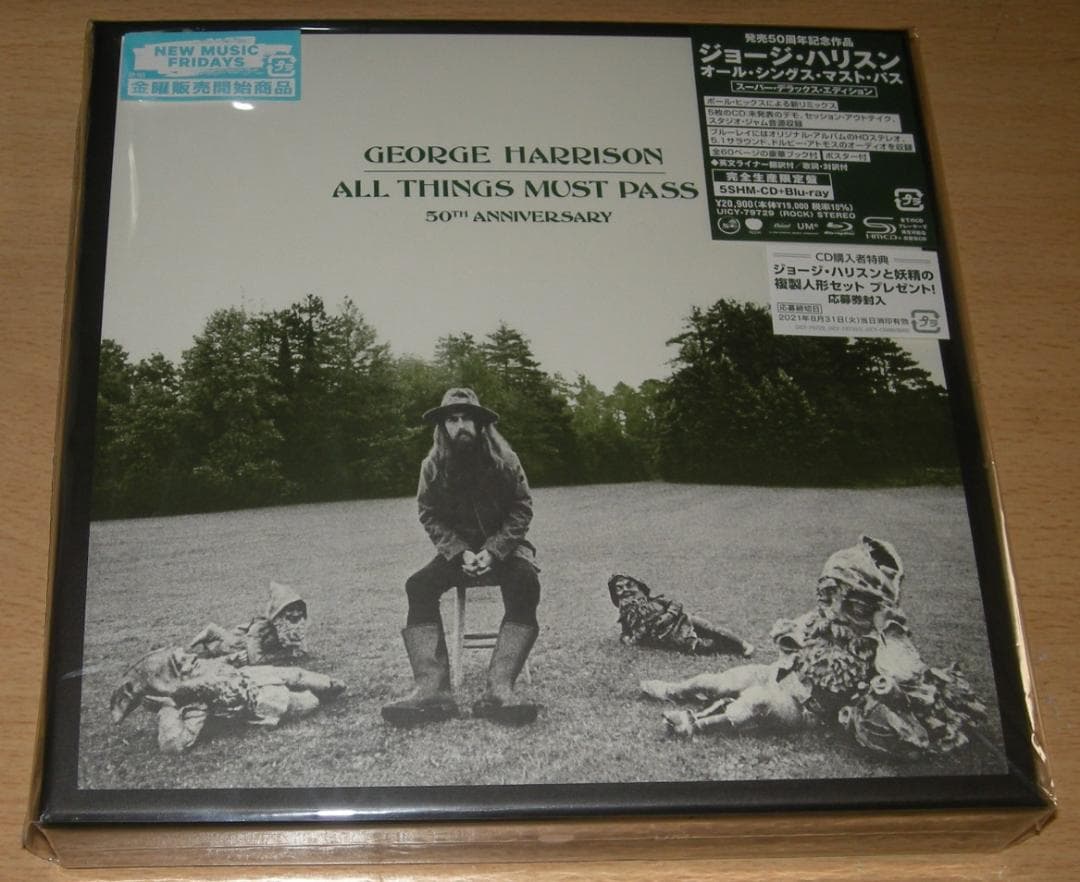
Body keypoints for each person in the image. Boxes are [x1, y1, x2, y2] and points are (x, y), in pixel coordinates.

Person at [639, 536, 987, 758]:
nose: (837, 607)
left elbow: (905, 672)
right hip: (777, 674)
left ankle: (694, 724)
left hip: (804, 707)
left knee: (757, 701)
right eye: (832, 596)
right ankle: (673, 690)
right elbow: (794, 638)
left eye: (859, 607)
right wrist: (790, 639)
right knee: (719, 680)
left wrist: (885, 629)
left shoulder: (883, 640)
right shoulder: (820, 619)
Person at [382, 388, 541, 727]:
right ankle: (433, 693)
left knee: (526, 581)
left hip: (507, 551)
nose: (461, 425)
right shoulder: (432, 466)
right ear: (443, 427)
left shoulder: (506, 460)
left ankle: (499, 691)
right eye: (452, 419)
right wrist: (459, 552)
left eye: (467, 418)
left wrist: (494, 551)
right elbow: (428, 514)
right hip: (459, 553)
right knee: (418, 586)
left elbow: (522, 508)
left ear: (481, 424)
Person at [110, 646, 345, 753]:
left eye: (186, 656)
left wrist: (231, 659)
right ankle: (319, 694)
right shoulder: (193, 701)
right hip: (264, 701)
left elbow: (218, 667)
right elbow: (174, 745)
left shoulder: (205, 672)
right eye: (183, 663)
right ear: (171, 681)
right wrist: (167, 708)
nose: (191, 658)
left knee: (296, 674)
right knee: (307, 702)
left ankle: (330, 685)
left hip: (252, 677)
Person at [188, 581, 309, 666]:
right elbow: (255, 660)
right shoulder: (260, 628)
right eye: (290, 610)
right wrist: (284, 655)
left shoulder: (294, 626)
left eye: (299, 610)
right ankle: (214, 632)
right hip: (241, 644)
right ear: (279, 613)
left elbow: (301, 649)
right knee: (235, 650)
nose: (296, 614)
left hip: (259, 646)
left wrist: (292, 652)